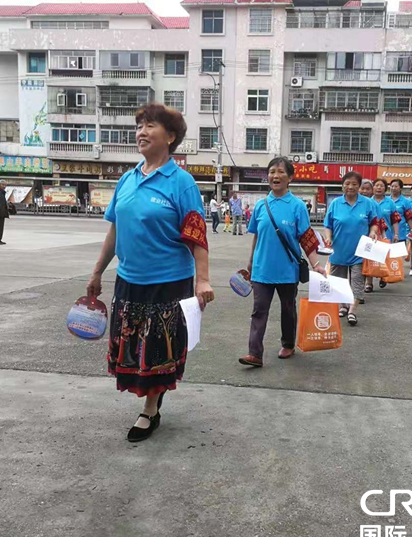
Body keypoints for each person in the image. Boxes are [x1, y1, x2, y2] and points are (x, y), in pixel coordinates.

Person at [86, 103, 214, 443]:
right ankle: (150, 402)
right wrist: (98, 271)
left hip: (168, 282)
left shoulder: (181, 182)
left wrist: (202, 279)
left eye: (150, 126)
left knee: (157, 352)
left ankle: (150, 410)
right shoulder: (127, 180)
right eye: (140, 126)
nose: (141, 132)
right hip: (129, 281)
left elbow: (197, 235)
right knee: (132, 349)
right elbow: (115, 231)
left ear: (170, 137)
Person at [239, 157, 325, 367]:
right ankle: (255, 354)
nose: (275, 176)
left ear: (290, 178)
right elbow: (257, 237)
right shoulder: (261, 206)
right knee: (259, 310)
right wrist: (250, 263)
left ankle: (288, 343)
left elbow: (306, 238)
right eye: (271, 172)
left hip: (287, 270)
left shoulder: (297, 206)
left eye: (280, 172)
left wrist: (316, 264)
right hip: (261, 270)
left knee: (288, 309)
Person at [324, 171, 380, 326]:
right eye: (347, 184)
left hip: (360, 251)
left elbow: (374, 222)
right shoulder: (335, 203)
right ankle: (342, 306)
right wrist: (328, 237)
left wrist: (373, 232)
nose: (351, 187)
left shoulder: (367, 203)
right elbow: (328, 225)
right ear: (342, 186)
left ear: (359, 186)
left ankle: (352, 311)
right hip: (339, 250)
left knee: (357, 280)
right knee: (339, 281)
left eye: (355, 184)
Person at [365, 178, 401, 292]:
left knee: (383, 258)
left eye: (381, 186)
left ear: (385, 188)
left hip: (385, 235)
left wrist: (396, 234)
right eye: (376, 185)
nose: (379, 188)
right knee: (369, 258)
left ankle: (383, 276)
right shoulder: (368, 202)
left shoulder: (390, 203)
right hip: (369, 235)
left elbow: (395, 220)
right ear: (373, 188)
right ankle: (369, 283)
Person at [389, 179, 412, 243]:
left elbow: (408, 217)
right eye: (392, 186)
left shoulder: (405, 201)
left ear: (400, 188)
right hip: (387, 233)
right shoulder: (386, 200)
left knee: (399, 253)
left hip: (400, 233)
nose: (393, 188)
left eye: (396, 186)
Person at [0, 180, 9, 245]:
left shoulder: (2, 193)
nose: (4, 186)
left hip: (2, 213)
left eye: (5, 185)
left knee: (1, 227)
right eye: (2, 184)